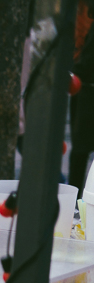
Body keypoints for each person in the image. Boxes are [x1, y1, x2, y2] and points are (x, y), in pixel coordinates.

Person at [70, 0, 94, 195]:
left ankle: (75, 192)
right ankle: (75, 192)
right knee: (80, 150)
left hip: (87, 89)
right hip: (83, 87)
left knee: (80, 150)